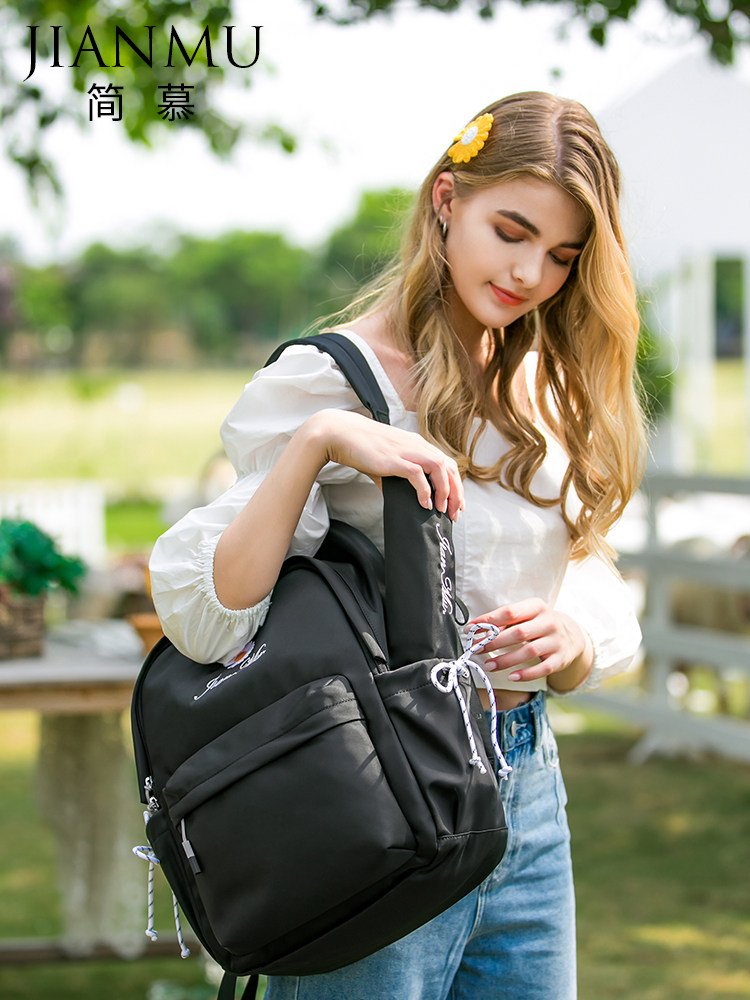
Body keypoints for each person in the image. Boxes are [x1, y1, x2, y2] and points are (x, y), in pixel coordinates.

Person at [149, 91, 646, 1000]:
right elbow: (209, 619)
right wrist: (320, 444)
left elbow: (588, 566)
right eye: (512, 229)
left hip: (530, 783)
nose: (532, 272)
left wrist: (573, 639)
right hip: (381, 786)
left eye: (564, 256)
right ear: (447, 202)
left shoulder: (541, 388)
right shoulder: (331, 379)